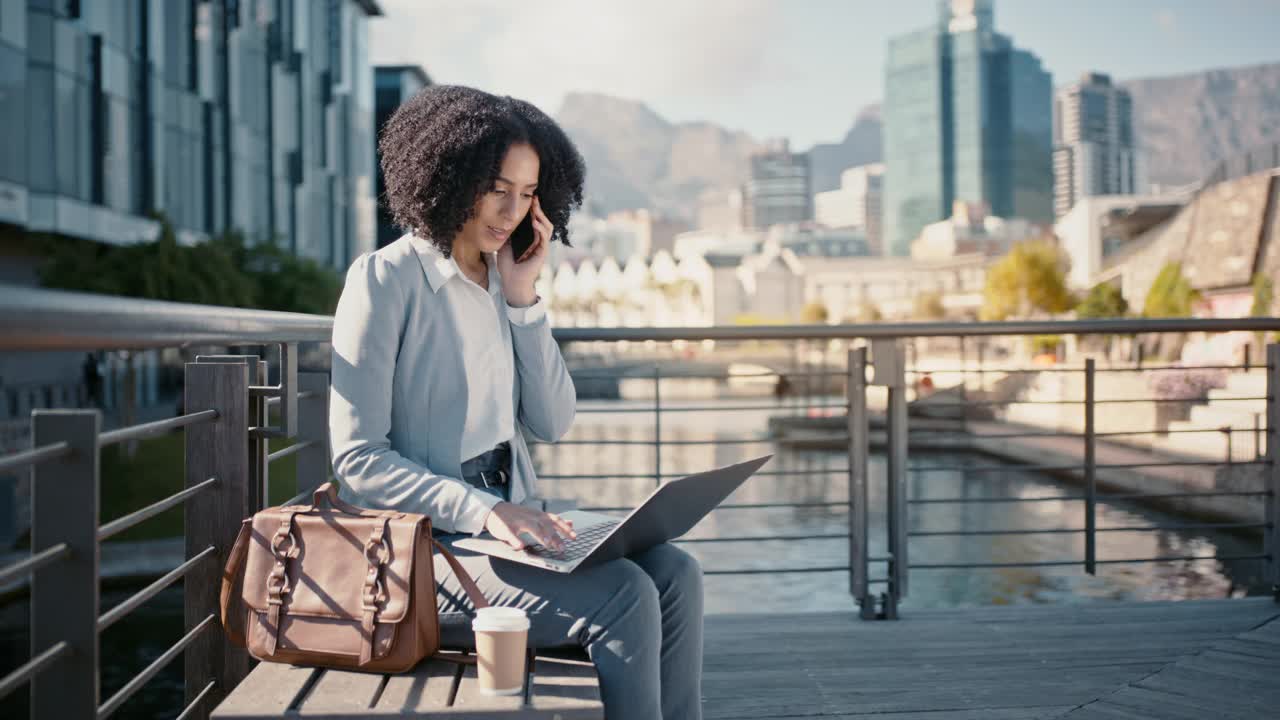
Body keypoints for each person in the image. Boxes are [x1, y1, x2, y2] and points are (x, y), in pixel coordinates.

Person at [328, 85, 703, 720]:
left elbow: (554, 422)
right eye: (496, 187)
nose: (511, 210)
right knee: (623, 596)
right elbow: (358, 460)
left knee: (675, 573)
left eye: (528, 194)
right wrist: (485, 510)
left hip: (507, 531)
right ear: (450, 176)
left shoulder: (504, 280)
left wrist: (524, 298)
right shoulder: (387, 279)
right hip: (424, 549)